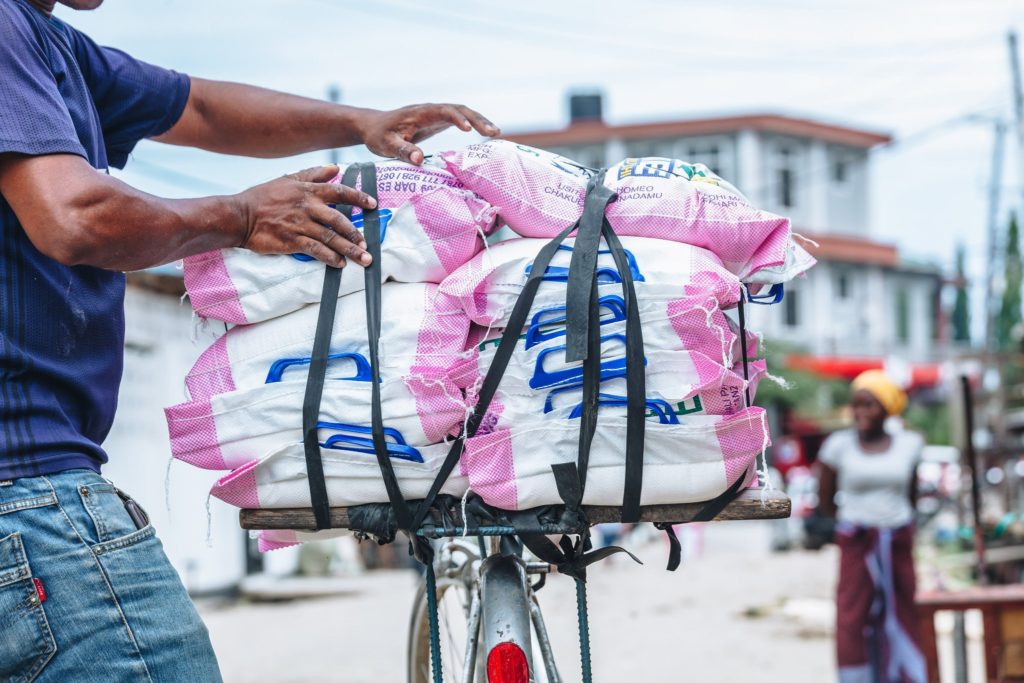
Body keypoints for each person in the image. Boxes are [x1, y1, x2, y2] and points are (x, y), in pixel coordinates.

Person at [0, 0, 499, 679]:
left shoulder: (55, 49)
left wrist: (359, 124)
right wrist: (241, 216)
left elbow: (200, 107)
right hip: (28, 497)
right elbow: (75, 217)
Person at [816, 370, 927, 683]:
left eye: (870, 405)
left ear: (887, 409)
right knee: (853, 614)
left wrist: (898, 527)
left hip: (897, 538)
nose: (861, 412)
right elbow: (824, 497)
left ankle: (904, 674)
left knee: (902, 609)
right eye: (857, 405)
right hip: (857, 539)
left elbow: (912, 494)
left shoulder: (909, 444)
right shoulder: (838, 445)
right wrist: (850, 526)